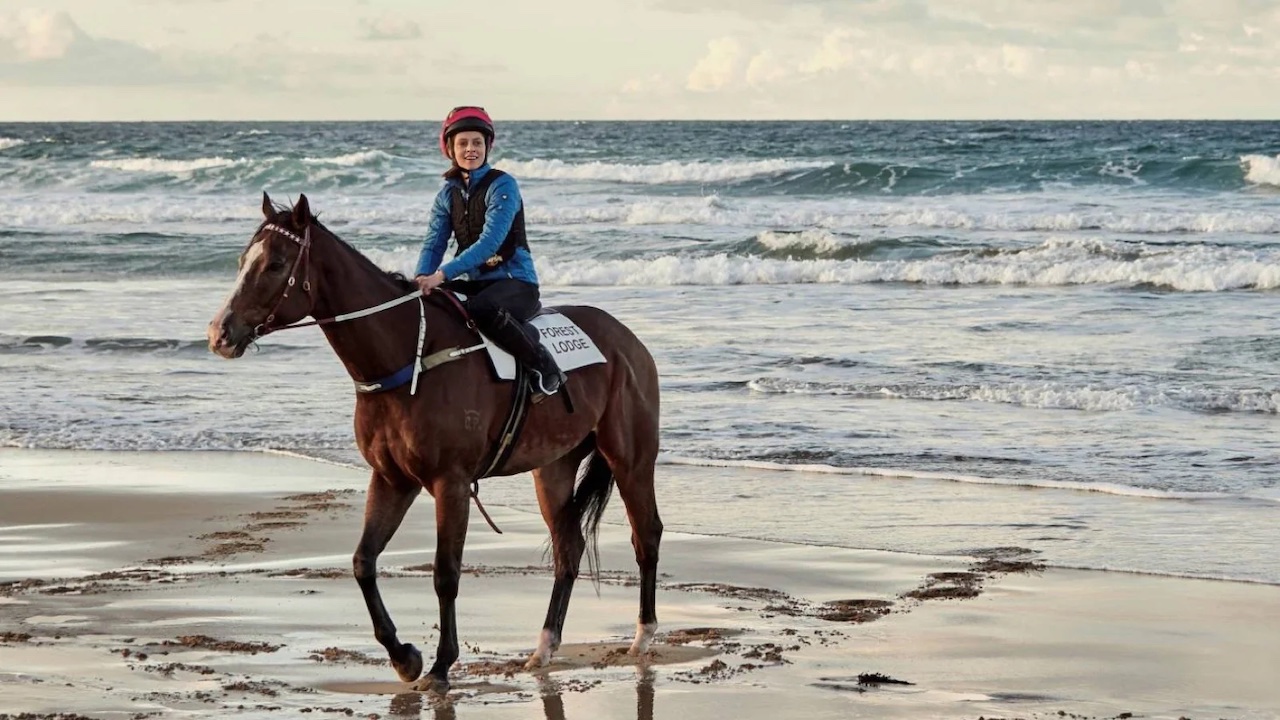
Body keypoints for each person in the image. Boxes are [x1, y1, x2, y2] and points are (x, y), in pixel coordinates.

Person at [414, 106, 567, 397]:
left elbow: (489, 244)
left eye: (477, 143)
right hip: (478, 285)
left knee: (482, 308)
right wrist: (421, 278)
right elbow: (434, 243)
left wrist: (442, 274)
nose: (470, 149)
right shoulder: (447, 194)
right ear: (449, 148)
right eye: (462, 143)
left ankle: (546, 366)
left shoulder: (503, 184)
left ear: (487, 146)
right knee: (434, 303)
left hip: (516, 285)